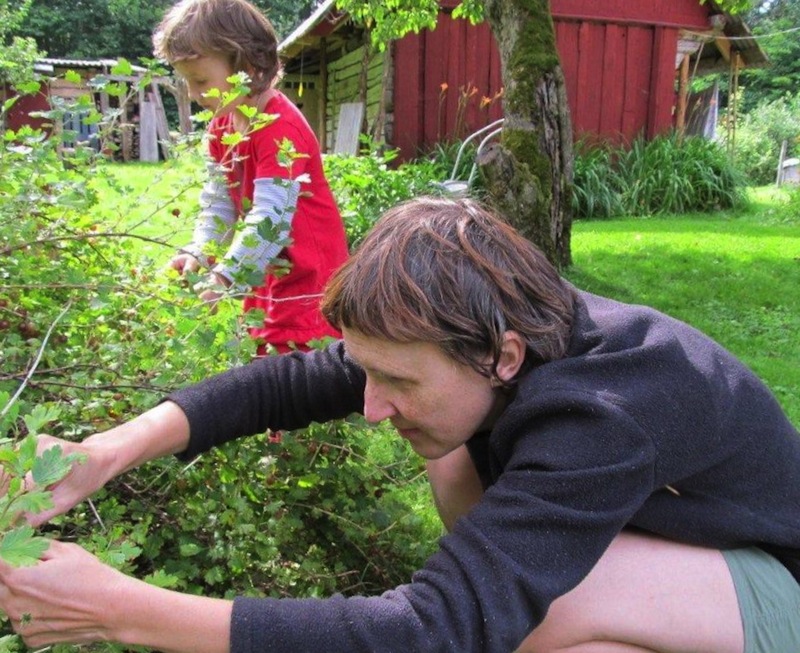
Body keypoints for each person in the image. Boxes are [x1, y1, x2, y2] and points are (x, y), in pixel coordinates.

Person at [1, 196, 799, 653]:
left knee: (518, 616)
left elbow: (430, 630)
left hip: (777, 582)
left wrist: (117, 606)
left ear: (504, 356)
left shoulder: (604, 411)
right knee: (479, 525)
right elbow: (286, 383)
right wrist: (104, 452)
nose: (371, 404)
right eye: (369, 371)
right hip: (683, 553)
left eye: (397, 380)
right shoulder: (476, 333)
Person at [156, 0, 349, 354]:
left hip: (311, 284)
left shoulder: (281, 128)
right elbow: (217, 207)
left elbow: (271, 221)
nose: (195, 95)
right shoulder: (221, 130)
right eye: (187, 83)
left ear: (246, 69)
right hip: (267, 274)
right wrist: (200, 253)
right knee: (263, 369)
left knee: (302, 378)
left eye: (201, 81)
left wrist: (224, 277)